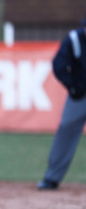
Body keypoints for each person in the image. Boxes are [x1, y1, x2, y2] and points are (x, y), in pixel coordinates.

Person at [37, 20, 86, 191]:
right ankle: (52, 178)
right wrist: (72, 86)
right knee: (66, 128)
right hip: (80, 95)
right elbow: (59, 65)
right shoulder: (74, 39)